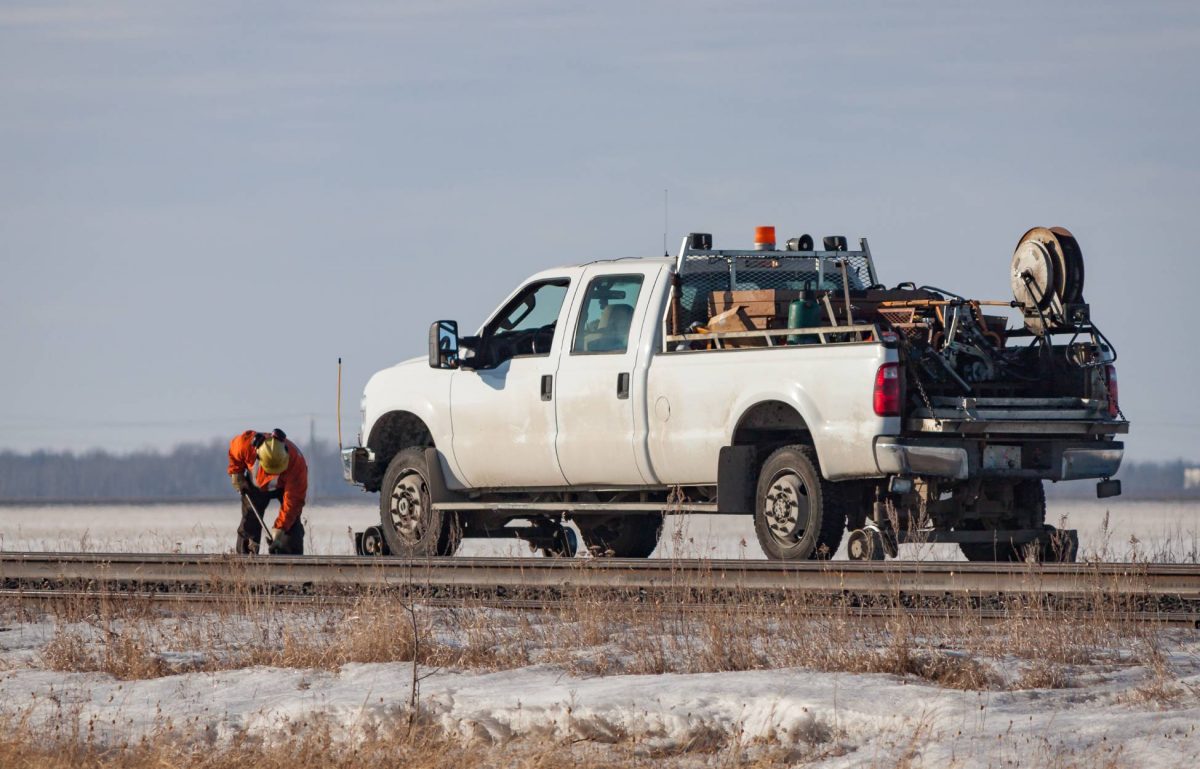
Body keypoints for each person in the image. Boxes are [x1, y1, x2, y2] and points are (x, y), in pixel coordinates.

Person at [227, 428, 307, 554]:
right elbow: (234, 453)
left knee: (291, 526)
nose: (273, 475)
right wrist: (236, 473)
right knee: (250, 521)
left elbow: (293, 502)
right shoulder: (245, 444)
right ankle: (245, 563)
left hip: (284, 488)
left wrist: (280, 529)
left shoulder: (296, 464)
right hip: (256, 485)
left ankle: (290, 563)